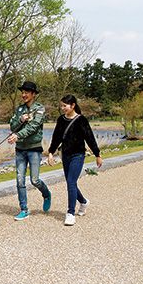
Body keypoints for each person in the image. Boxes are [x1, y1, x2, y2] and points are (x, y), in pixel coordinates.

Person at [47, 94, 103, 226]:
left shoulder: (81, 120)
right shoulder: (61, 120)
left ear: (73, 105)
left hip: (78, 155)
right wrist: (50, 152)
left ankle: (70, 213)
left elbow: (89, 138)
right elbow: (56, 137)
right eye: (62, 106)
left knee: (71, 182)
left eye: (65, 106)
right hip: (65, 155)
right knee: (70, 183)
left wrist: (97, 154)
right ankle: (83, 202)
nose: (63, 108)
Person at [7, 81, 51, 220]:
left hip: (34, 149)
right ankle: (24, 209)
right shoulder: (19, 109)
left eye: (27, 92)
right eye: (22, 92)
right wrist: (20, 120)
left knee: (35, 180)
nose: (24, 94)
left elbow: (33, 127)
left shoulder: (39, 109)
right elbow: (13, 125)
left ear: (33, 94)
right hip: (20, 149)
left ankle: (46, 194)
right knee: (20, 181)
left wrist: (18, 135)